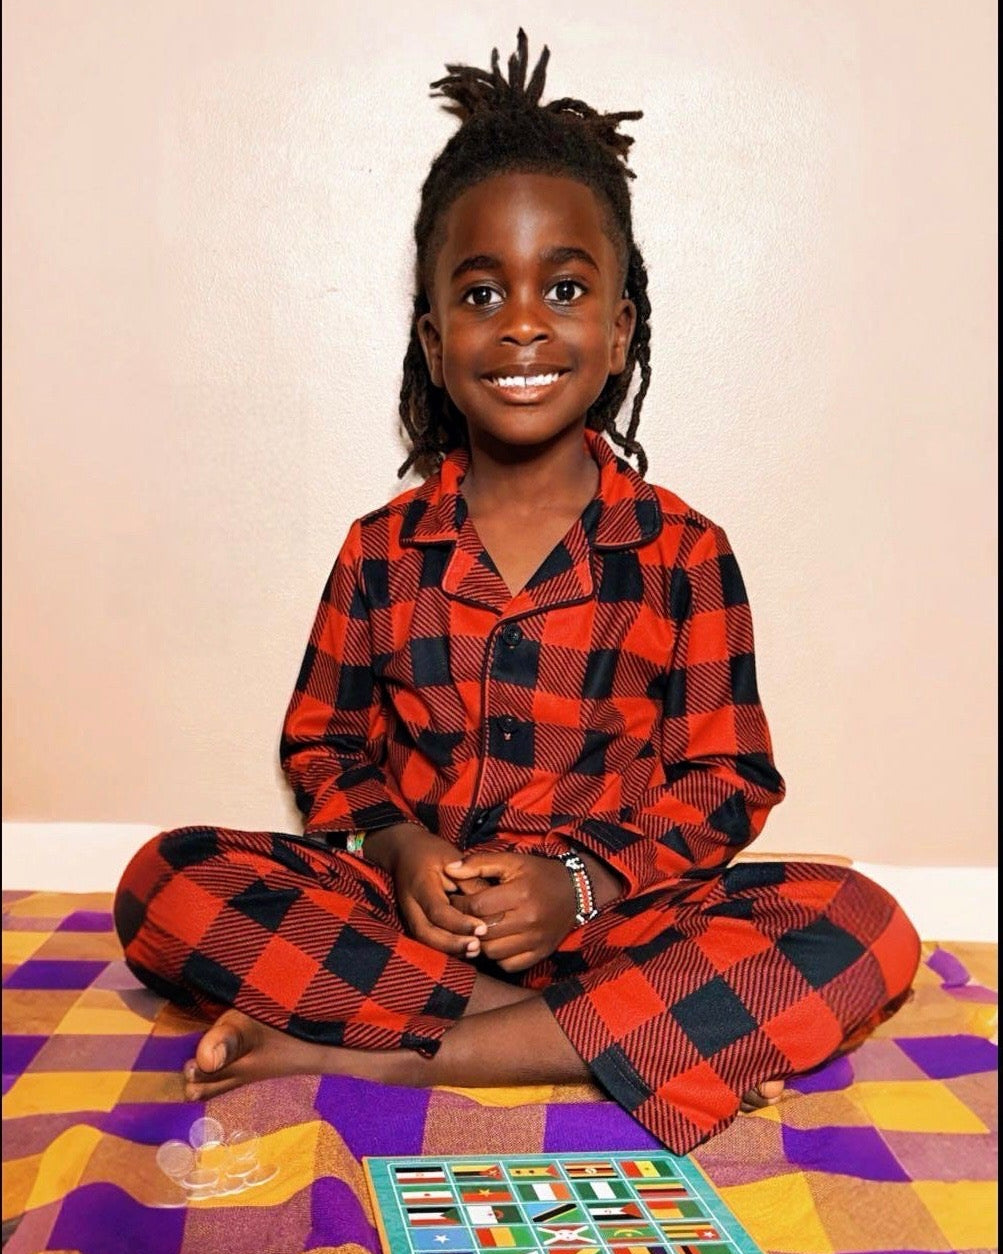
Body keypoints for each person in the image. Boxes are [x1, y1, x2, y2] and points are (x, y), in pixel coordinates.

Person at [113, 31, 920, 1155]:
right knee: (168, 884)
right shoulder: (380, 551)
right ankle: (600, 1046)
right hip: (412, 931)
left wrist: (577, 887)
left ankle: (379, 1049)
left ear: (619, 328)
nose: (525, 322)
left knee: (864, 929)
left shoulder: (682, 552)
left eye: (567, 287)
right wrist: (397, 853)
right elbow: (323, 746)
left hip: (619, 926)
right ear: (434, 339)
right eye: (483, 292)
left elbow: (728, 780)